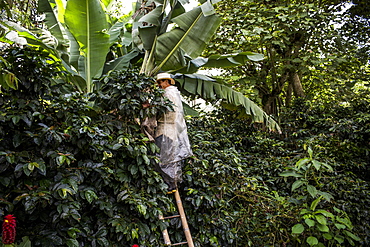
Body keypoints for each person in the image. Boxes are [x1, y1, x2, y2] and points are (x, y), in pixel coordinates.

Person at [152, 73, 193, 193]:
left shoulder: (168, 93)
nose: (159, 85)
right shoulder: (174, 92)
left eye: (161, 82)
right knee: (170, 156)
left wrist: (149, 105)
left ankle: (170, 184)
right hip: (171, 130)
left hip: (166, 130)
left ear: (167, 82)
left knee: (163, 157)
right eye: (158, 83)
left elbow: (164, 108)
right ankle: (172, 183)